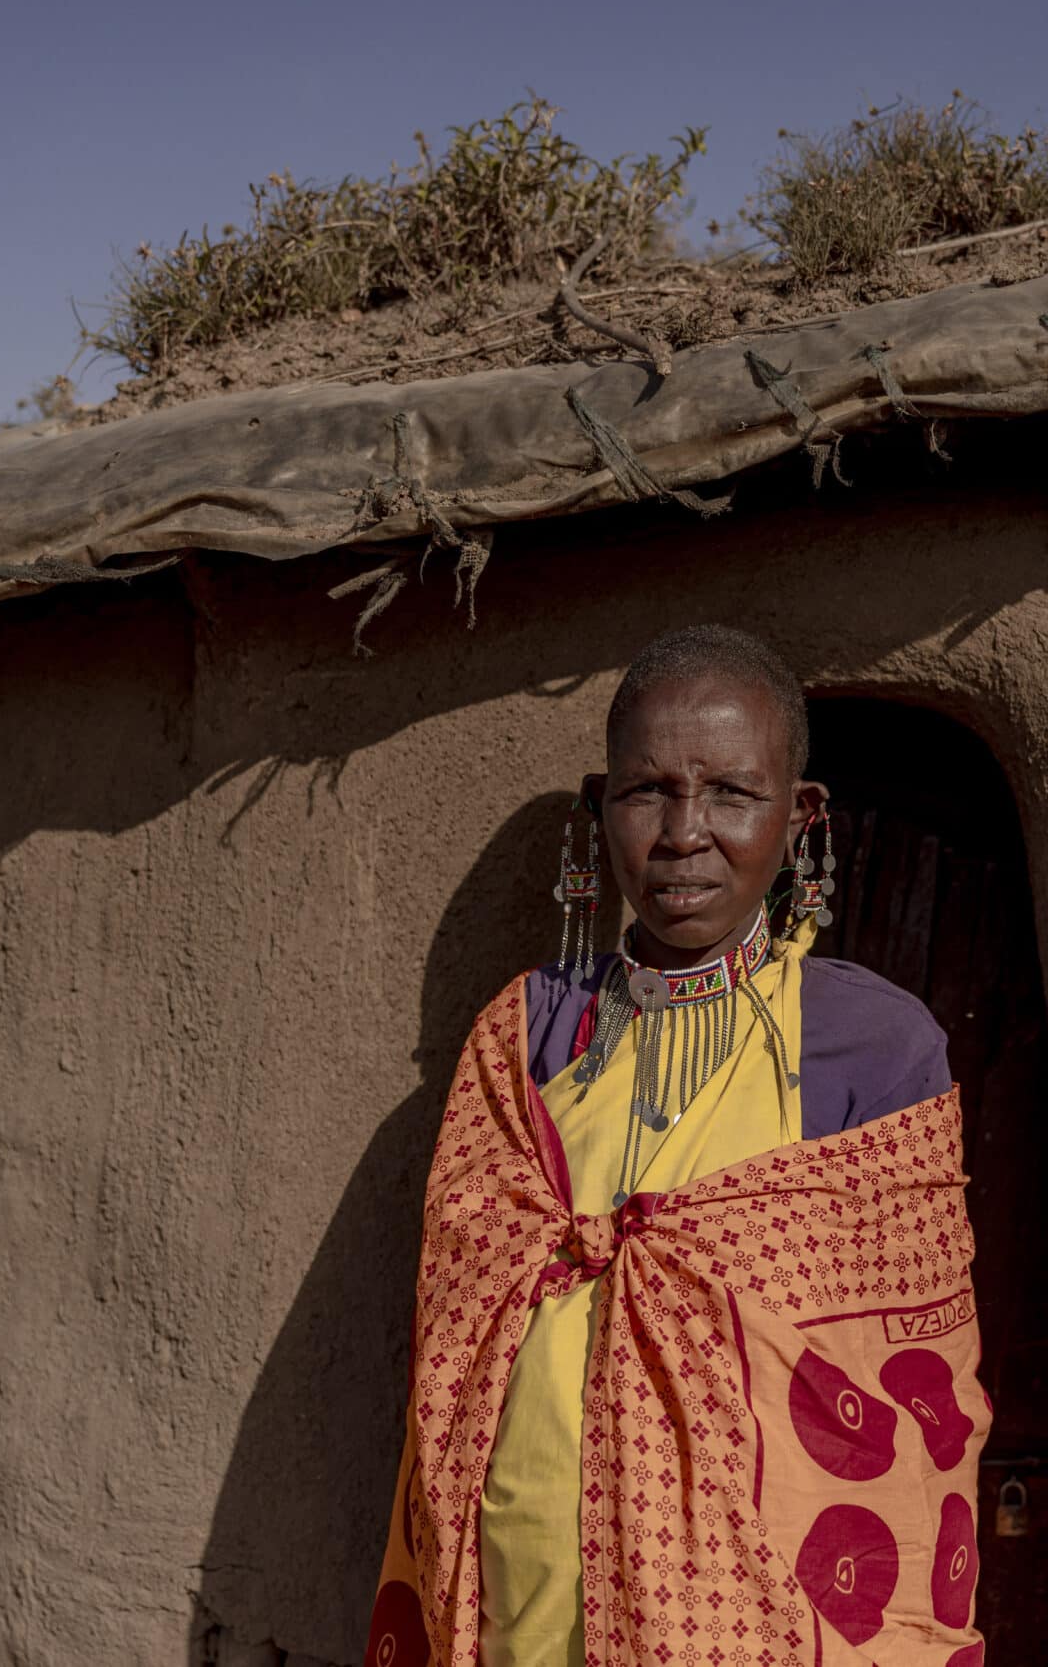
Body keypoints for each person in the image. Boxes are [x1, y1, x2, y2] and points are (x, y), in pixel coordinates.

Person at [370, 625, 990, 1667]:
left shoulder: (872, 1048)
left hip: (763, 1617)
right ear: (598, 807)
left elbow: (913, 1405)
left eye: (731, 794)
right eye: (647, 789)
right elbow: (456, 1353)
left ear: (799, 819)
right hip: (525, 1586)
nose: (683, 832)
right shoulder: (526, 1033)